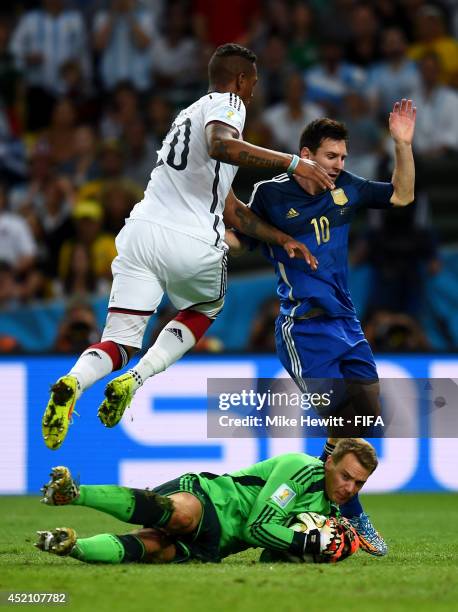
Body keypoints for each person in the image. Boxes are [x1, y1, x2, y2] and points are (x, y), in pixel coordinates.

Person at [41, 43, 334, 451]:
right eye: (253, 82)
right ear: (240, 79)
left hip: (140, 233)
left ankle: (73, 380)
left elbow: (233, 210)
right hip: (190, 239)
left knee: (121, 341)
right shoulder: (229, 104)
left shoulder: (187, 116)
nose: (253, 90)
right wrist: (293, 163)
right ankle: (138, 378)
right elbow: (221, 145)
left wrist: (282, 238)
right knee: (206, 307)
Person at [226, 99, 416, 556]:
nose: (339, 165)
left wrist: (402, 144)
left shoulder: (347, 187)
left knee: (361, 425)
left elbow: (402, 195)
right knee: (341, 425)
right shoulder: (271, 195)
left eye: (343, 157)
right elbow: (241, 237)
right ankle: (350, 517)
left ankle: (321, 511)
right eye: (331, 156)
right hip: (303, 327)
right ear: (305, 153)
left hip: (347, 322)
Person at [35, 438, 375, 565]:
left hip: (216, 547)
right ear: (330, 462)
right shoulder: (299, 468)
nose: (350, 488)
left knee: (153, 548)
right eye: (346, 476)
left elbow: (269, 554)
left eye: (359, 483)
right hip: (211, 499)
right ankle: (74, 493)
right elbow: (257, 528)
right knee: (179, 516)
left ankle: (70, 546)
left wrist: (315, 554)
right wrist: (308, 540)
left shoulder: (326, 511)